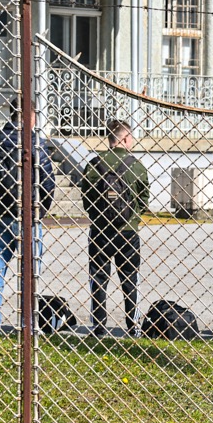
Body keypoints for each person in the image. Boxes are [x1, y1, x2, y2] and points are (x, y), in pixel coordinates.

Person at [0, 99, 56, 335]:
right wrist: (40, 209)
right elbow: (48, 181)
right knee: (30, 272)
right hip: (29, 214)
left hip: (1, 214)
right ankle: (27, 324)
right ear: (31, 116)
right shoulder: (37, 144)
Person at [81, 119, 149, 337]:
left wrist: (99, 216)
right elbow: (144, 199)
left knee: (99, 277)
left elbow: (87, 199)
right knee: (130, 278)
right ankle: (133, 326)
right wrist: (133, 216)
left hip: (100, 232)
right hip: (128, 232)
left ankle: (99, 326)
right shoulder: (136, 166)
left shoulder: (93, 165)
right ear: (126, 138)